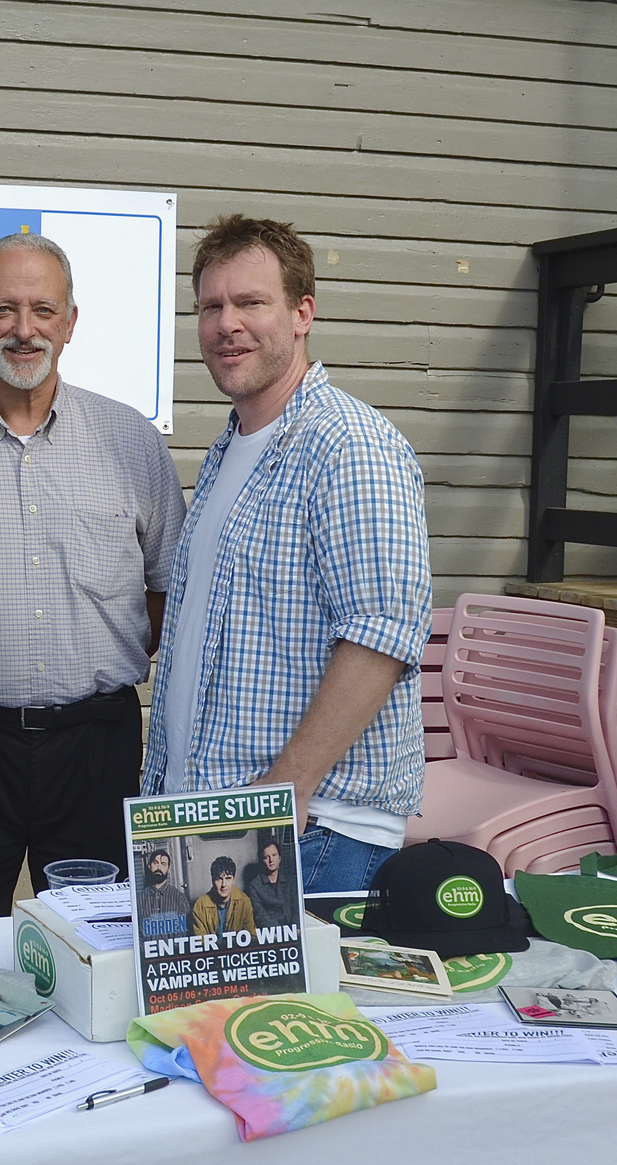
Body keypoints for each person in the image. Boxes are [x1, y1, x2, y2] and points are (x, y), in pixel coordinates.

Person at [144, 214, 432, 892]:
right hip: (218, 825)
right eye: (211, 305)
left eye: (250, 302)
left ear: (303, 312)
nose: (226, 324)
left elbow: (382, 635)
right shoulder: (232, 447)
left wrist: (284, 795)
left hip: (309, 835)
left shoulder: (348, 445)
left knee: (293, 1008)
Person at [0, 232, 186, 918]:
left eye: (42, 309)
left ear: (70, 321)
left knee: (105, 934)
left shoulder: (132, 443)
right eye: (3, 310)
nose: (23, 329)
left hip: (98, 745)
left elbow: (165, 592)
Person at [189, 856, 256, 941]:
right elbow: (200, 941)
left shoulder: (244, 901)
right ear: (213, 881)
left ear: (234, 880)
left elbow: (251, 936)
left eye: (228, 878)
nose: (224, 884)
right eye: (219, 879)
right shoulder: (200, 905)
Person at [137, 847, 190, 938]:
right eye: (155, 863)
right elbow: (138, 934)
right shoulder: (139, 899)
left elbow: (183, 934)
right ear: (149, 866)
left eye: (163, 864)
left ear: (168, 869)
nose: (159, 868)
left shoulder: (180, 899)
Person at [247, 836, 298, 928]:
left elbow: (296, 907)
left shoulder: (290, 879)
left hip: (294, 929)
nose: (271, 860)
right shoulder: (254, 886)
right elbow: (260, 915)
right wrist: (280, 932)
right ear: (262, 861)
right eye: (266, 857)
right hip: (272, 932)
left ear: (280, 858)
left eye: (274, 855)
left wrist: (296, 928)